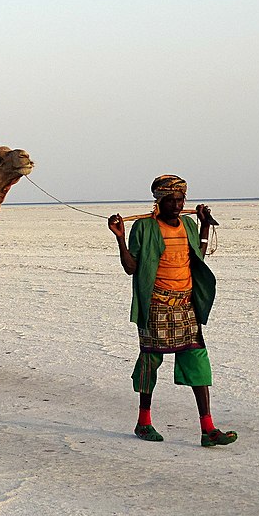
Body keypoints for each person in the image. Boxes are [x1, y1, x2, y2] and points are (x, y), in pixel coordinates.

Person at [108, 174, 238, 447]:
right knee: (150, 361)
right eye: (172, 200)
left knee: (198, 360)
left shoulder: (188, 224)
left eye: (181, 200)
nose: (178, 206)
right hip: (156, 305)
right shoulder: (144, 227)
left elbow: (198, 254)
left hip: (186, 305)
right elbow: (131, 268)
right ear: (159, 201)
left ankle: (208, 429)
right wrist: (120, 239)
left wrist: (204, 225)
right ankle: (143, 422)